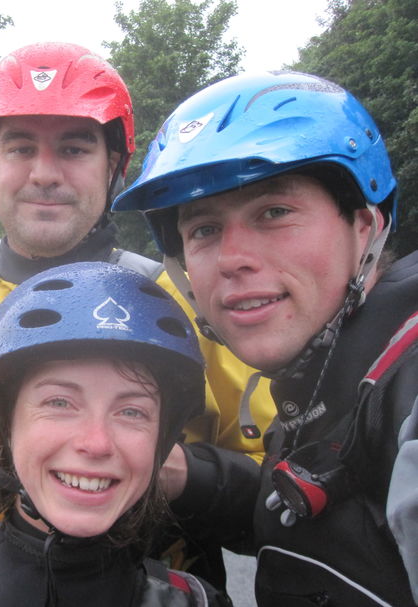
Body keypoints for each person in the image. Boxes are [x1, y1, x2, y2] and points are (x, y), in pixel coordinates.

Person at [0, 42, 274, 585]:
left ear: (114, 168)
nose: (44, 173)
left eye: (73, 148)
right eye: (21, 148)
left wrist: (184, 474)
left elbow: (285, 493)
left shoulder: (187, 303)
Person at [112, 70, 418, 606]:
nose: (232, 259)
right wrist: (178, 473)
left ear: (364, 226)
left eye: (275, 212)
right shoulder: (323, 386)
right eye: (204, 229)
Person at [0, 262, 229, 606]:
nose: (96, 443)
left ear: (162, 438)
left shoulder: (197, 601)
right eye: (60, 403)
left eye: (132, 411)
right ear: (6, 425)